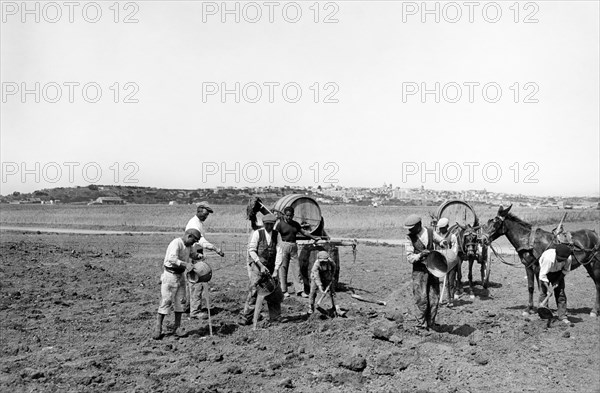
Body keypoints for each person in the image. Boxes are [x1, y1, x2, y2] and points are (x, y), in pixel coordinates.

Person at [153, 228, 202, 340]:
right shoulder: (176, 243)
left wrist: (198, 256)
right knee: (166, 301)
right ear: (188, 236)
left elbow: (192, 254)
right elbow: (172, 258)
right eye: (193, 240)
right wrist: (185, 264)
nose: (193, 243)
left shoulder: (189, 246)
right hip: (170, 275)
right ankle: (158, 327)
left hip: (181, 276)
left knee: (180, 302)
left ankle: (177, 327)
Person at [240, 214, 285, 326]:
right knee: (254, 291)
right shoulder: (257, 233)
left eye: (271, 224)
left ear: (274, 224)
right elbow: (251, 250)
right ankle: (247, 317)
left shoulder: (277, 234)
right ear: (263, 224)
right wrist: (260, 265)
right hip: (258, 266)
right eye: (267, 224)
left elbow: (279, 252)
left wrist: (275, 270)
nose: (269, 226)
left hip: (271, 266)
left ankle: (275, 317)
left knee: (273, 291)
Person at [405, 214, 448, 332]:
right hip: (419, 272)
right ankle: (421, 325)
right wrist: (420, 255)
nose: (410, 230)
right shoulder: (409, 238)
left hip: (433, 269)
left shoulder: (429, 232)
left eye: (412, 228)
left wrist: (443, 242)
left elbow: (439, 240)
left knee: (434, 298)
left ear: (419, 225)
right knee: (421, 298)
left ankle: (431, 323)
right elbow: (409, 258)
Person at [185, 201, 224, 320]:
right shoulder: (193, 224)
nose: (206, 217)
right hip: (194, 253)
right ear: (199, 211)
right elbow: (200, 240)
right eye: (205, 214)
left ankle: (187, 306)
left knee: (191, 281)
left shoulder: (198, 222)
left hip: (196, 253)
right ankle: (195, 311)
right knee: (197, 282)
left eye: (207, 215)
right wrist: (215, 248)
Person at [274, 206, 320, 298]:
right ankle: (283, 290)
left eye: (290, 216)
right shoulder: (280, 224)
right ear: (284, 215)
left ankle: (300, 290)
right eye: (287, 216)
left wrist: (314, 237)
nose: (289, 217)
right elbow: (274, 235)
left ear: (293, 215)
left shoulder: (296, 224)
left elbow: (304, 232)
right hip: (284, 246)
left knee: (297, 269)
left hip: (293, 246)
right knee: (283, 269)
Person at [538, 244, 572, 325]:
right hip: (546, 272)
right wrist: (548, 288)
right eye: (559, 259)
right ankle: (544, 316)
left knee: (561, 294)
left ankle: (562, 316)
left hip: (558, 273)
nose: (561, 261)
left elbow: (565, 270)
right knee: (543, 293)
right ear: (556, 254)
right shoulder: (548, 259)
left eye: (563, 260)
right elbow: (543, 275)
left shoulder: (568, 258)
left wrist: (558, 281)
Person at [435, 218, 459, 307]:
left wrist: (448, 259)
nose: (441, 230)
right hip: (441, 262)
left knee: (450, 281)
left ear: (447, 227)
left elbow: (455, 250)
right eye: (440, 228)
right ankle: (438, 298)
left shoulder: (452, 237)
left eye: (442, 228)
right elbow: (436, 248)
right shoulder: (438, 237)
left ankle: (450, 299)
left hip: (451, 262)